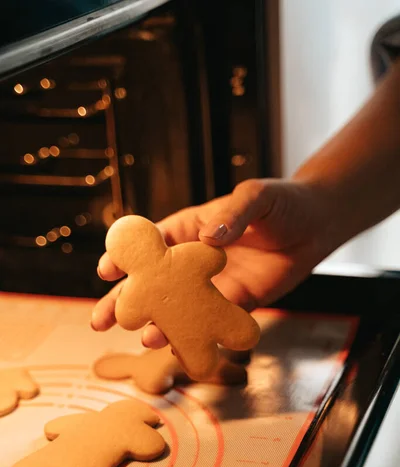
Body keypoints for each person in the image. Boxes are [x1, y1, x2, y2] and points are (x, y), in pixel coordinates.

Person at [91, 19, 400, 348]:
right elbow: (196, 268)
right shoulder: (175, 263)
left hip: (208, 303)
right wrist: (321, 207)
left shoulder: (174, 263)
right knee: (202, 333)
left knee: (209, 329)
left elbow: (202, 264)